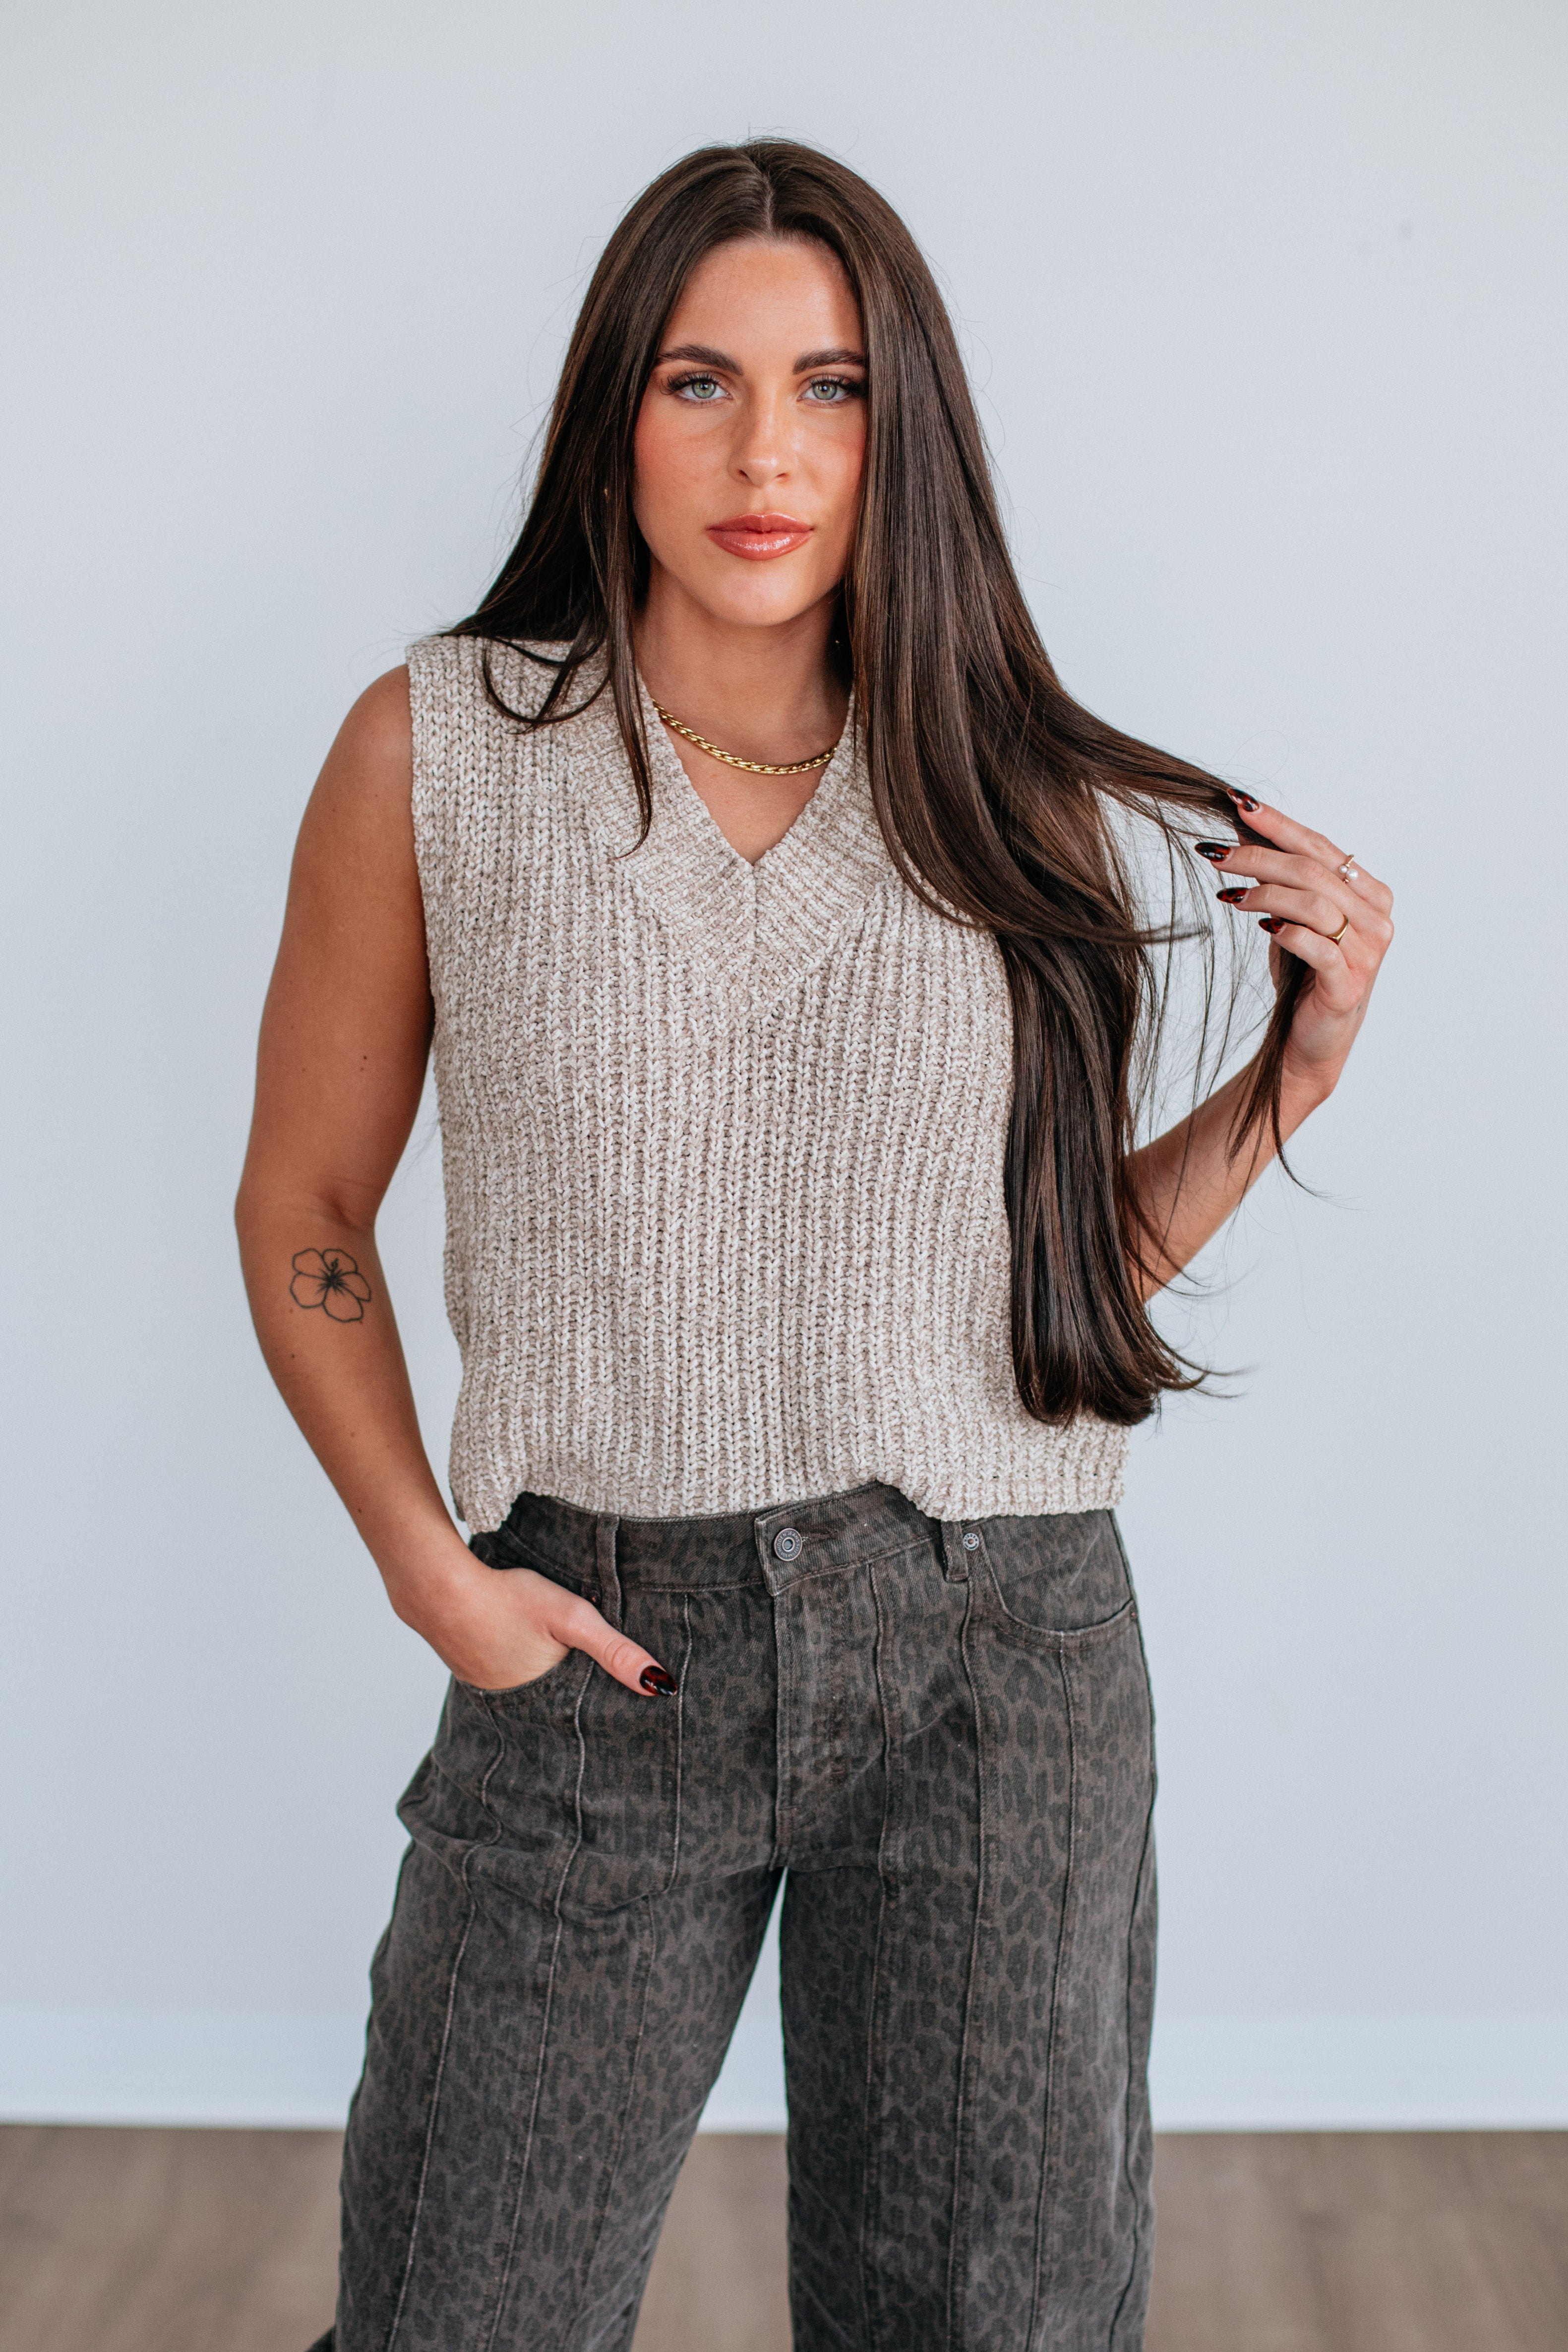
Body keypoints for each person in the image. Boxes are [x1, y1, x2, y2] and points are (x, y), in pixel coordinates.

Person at [237, 139, 1393, 2352]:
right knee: (457, 2313)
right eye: (702, 381)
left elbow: (1042, 1298)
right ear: (615, 411)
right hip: (599, 1646)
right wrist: (424, 1567)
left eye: (830, 388)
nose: (766, 453)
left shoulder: (1010, 789)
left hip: (999, 1654)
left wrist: (1292, 1080)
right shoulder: (441, 752)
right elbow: (304, 1205)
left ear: (902, 426)